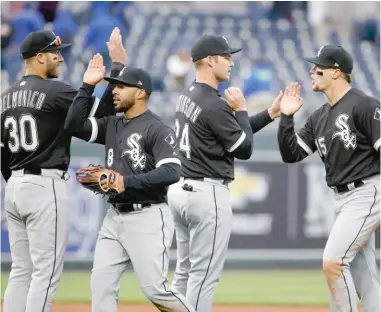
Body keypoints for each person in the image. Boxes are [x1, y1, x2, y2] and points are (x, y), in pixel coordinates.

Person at [0, 28, 122, 312]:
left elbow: (2, 151)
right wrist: (108, 74)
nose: (60, 58)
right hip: (45, 186)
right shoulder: (55, 90)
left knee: (21, 271)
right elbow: (101, 116)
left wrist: (16, 181)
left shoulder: (5, 98)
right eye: (55, 53)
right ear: (39, 57)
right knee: (46, 273)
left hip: (14, 187)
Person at [63, 54, 197, 312]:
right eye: (114, 85)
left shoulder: (156, 129)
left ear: (140, 93)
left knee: (155, 290)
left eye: (121, 86)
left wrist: (126, 182)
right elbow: (74, 126)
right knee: (101, 288)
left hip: (147, 216)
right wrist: (88, 86)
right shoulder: (113, 124)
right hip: (114, 218)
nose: (114, 90)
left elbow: (172, 171)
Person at [166, 34, 284, 312]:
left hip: (182, 190)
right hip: (207, 193)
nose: (231, 62)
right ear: (210, 60)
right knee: (204, 276)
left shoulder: (188, 95)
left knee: (183, 273)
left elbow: (227, 130)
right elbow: (243, 148)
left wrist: (268, 113)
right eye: (226, 57)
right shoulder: (214, 103)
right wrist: (242, 109)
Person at [277, 45, 380, 312]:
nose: (312, 71)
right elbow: (291, 155)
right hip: (343, 199)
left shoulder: (365, 105)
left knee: (334, 262)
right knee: (364, 276)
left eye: (318, 67)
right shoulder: (320, 117)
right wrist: (286, 117)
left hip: (368, 191)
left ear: (336, 72)